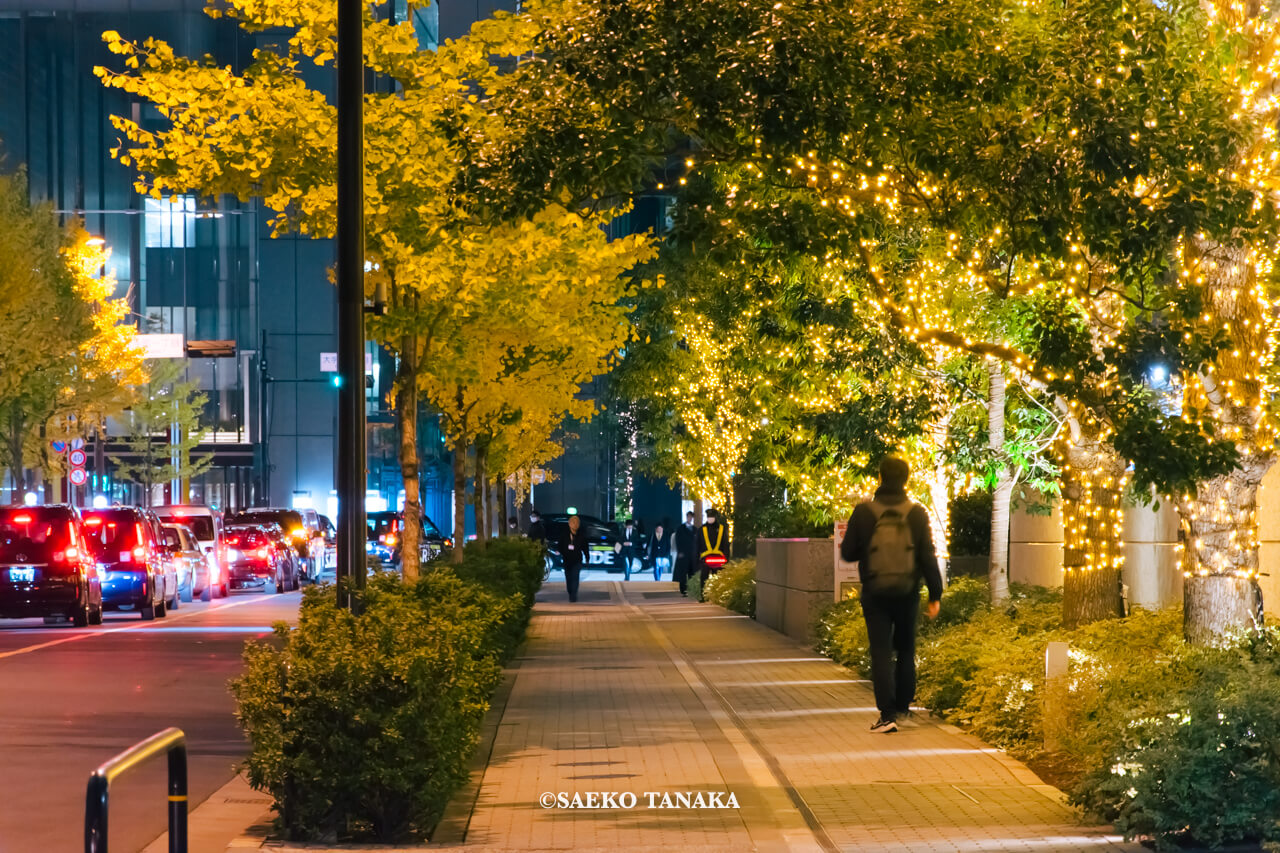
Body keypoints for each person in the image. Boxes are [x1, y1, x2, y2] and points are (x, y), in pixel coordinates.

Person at [839, 456, 943, 734]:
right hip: (908, 592)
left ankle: (887, 716)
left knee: (881, 651)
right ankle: (903, 706)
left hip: (875, 592)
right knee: (906, 648)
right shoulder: (917, 513)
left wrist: (868, 549)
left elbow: (847, 553)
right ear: (906, 479)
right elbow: (927, 556)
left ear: (880, 477)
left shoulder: (864, 512)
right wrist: (936, 594)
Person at [697, 508, 728, 593]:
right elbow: (697, 545)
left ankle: (714, 595)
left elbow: (725, 544)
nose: (710, 518)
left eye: (712, 516)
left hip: (713, 559)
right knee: (704, 578)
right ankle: (704, 595)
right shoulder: (701, 529)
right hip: (709, 559)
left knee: (716, 579)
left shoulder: (721, 529)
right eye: (709, 516)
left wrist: (726, 558)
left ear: (715, 517)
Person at [559, 514, 588, 602]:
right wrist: (560, 552)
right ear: (569, 524)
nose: (575, 524)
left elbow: (585, 548)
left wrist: (587, 558)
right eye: (573, 522)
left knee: (575, 577)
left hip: (577, 560)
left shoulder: (581, 536)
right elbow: (560, 546)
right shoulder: (564, 535)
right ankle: (570, 591)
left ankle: (573, 595)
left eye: (577, 522)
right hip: (567, 560)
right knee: (568, 578)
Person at [674, 511, 696, 596]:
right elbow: (677, 540)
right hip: (683, 554)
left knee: (691, 573)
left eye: (691, 517)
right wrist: (680, 552)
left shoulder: (695, 529)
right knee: (683, 573)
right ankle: (683, 590)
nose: (690, 519)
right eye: (689, 517)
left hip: (692, 555)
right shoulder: (680, 528)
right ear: (687, 517)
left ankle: (690, 589)